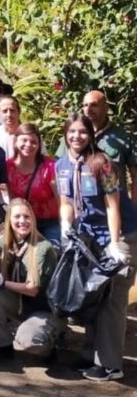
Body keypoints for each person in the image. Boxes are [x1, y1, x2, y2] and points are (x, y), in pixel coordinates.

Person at [55, 113, 137, 382]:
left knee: (112, 301)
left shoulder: (103, 164)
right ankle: (92, 355)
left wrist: (115, 243)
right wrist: (66, 225)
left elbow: (114, 205)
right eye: (72, 132)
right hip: (89, 238)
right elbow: (67, 201)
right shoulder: (62, 164)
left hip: (120, 235)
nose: (77, 137)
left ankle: (111, 365)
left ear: (91, 135)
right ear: (65, 134)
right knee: (93, 296)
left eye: (82, 132)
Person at [0, 198, 63, 360]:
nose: (22, 221)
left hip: (43, 310)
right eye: (17, 217)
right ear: (9, 221)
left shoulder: (42, 248)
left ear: (33, 219)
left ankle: (52, 340)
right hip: (18, 305)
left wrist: (1, 282)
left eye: (27, 217)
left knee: (30, 340)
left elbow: (32, 289)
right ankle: (2, 345)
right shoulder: (6, 242)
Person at [5, 124, 60, 243]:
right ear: (15, 141)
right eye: (24, 140)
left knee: (51, 251)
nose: (28, 145)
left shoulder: (49, 166)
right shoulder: (8, 167)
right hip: (23, 221)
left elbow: (60, 199)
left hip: (50, 221)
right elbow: (12, 200)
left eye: (33, 142)